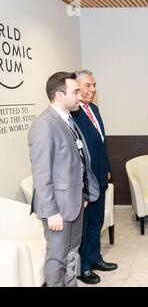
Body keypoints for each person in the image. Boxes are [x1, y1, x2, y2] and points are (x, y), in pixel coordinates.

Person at [28, 72, 99, 287]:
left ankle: (71, 284)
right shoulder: (44, 125)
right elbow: (42, 174)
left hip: (75, 202)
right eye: (75, 91)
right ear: (60, 95)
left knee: (72, 253)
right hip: (57, 209)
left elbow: (77, 162)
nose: (81, 96)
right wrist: (51, 212)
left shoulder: (68, 119)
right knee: (57, 258)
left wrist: (84, 193)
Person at [71, 70, 118, 285]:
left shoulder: (94, 109)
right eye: (88, 85)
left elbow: (101, 144)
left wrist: (106, 167)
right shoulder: (72, 114)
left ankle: (95, 258)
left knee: (96, 221)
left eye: (94, 85)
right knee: (84, 223)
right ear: (76, 87)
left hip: (99, 176)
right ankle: (83, 267)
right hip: (83, 181)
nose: (93, 89)